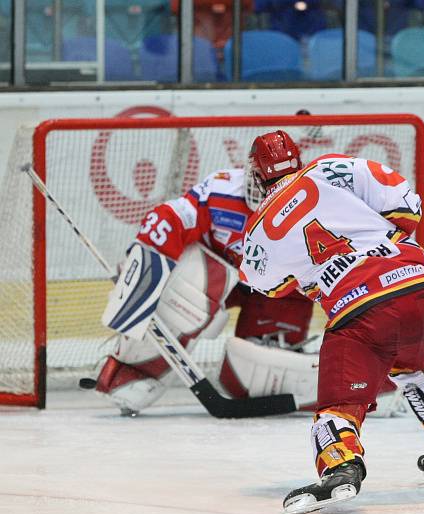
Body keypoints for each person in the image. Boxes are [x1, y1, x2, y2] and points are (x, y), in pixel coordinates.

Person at [239, 130, 424, 514]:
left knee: (339, 404)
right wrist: (380, 250)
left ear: (257, 174)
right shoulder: (332, 167)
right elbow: (407, 206)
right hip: (421, 288)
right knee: (412, 369)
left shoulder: (256, 229)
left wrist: (318, 274)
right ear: (296, 159)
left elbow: (266, 286)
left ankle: (340, 469)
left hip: (361, 313)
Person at [95, 164, 315, 416]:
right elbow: (172, 217)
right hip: (215, 275)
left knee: (251, 373)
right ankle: (136, 374)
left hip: (277, 295)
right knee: (191, 284)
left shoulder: (315, 206)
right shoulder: (222, 191)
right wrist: (145, 256)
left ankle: (339, 387)